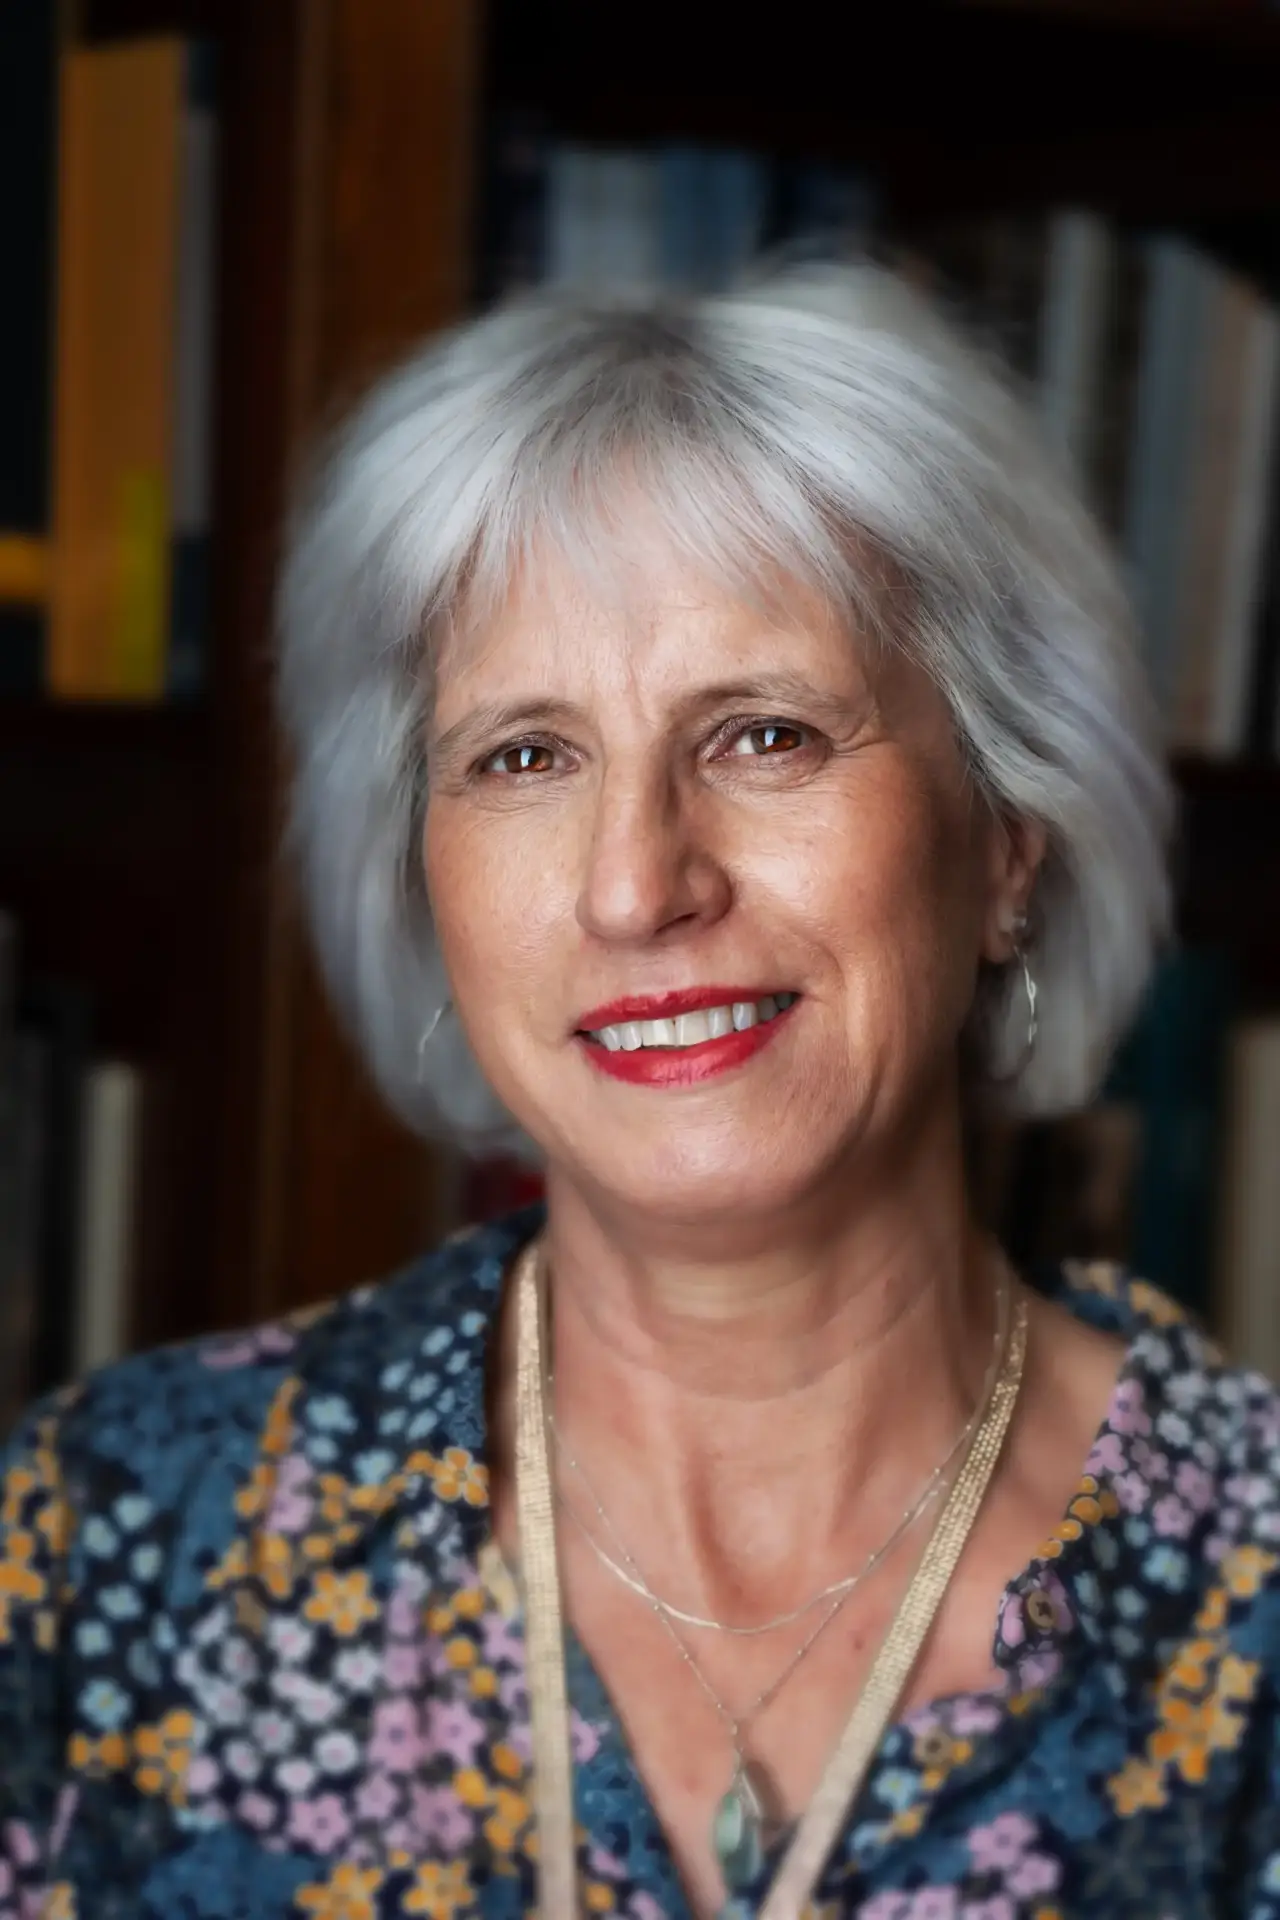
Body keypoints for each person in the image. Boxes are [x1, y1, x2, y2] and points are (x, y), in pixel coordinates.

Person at [2, 262, 1277, 1920]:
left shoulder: (1253, 1588)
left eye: (762, 735)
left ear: (1008, 844)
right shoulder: (100, 1536)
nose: (635, 885)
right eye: (523, 756)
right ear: (424, 882)